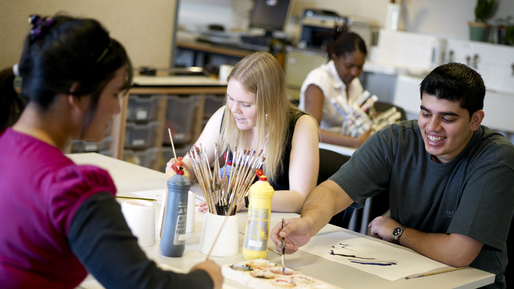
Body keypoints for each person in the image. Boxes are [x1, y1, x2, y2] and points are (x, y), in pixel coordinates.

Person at [0, 14, 222, 289]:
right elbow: (145, 285)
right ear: (77, 94)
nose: (117, 109)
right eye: (115, 94)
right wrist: (206, 277)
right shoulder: (69, 189)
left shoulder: (6, 150)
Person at [271, 62, 514, 289]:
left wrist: (398, 233)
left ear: (475, 120)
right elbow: (333, 191)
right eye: (426, 113)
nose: (432, 127)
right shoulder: (398, 139)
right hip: (405, 273)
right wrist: (308, 223)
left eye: (447, 118)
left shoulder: (495, 158)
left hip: (468, 283)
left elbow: (458, 253)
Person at [167, 52, 319, 213]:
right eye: (230, 98)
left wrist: (245, 200)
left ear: (270, 103)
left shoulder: (300, 125)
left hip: (274, 225)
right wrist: (181, 171)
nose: (234, 110)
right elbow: (192, 163)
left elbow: (301, 198)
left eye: (246, 104)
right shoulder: (225, 115)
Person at [298, 31, 370, 148]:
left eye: (360, 67)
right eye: (349, 66)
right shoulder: (319, 79)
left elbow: (359, 118)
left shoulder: (354, 83)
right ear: (334, 57)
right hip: (316, 148)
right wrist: (355, 142)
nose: (354, 72)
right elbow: (311, 131)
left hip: (343, 146)